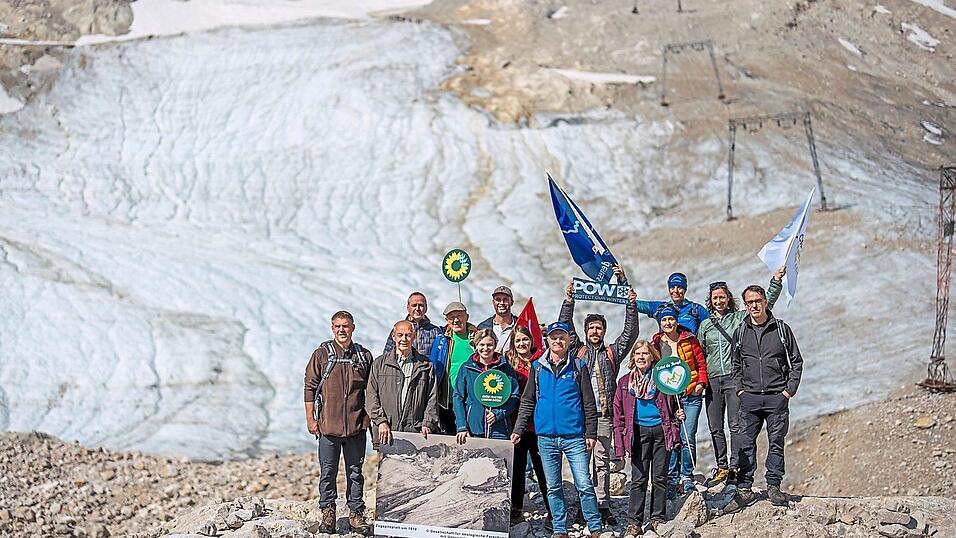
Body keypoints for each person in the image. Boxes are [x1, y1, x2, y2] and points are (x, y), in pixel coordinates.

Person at [559, 264, 638, 526]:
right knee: (582, 462)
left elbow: (630, 334)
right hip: (580, 416)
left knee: (603, 461)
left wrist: (629, 303)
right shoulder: (578, 351)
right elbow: (565, 327)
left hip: (604, 415)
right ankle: (585, 505)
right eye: (591, 327)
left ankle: (602, 504)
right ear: (585, 331)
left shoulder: (612, 353)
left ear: (604, 331)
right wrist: (569, 300)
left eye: (599, 328)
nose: (595, 331)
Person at [511, 322, 605, 538]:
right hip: (545, 437)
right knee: (553, 486)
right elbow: (528, 401)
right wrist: (518, 429)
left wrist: (591, 433)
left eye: (562, 337)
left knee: (583, 483)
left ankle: (595, 525)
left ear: (569, 340)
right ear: (547, 341)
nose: (558, 341)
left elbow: (588, 403)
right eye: (554, 337)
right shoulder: (537, 367)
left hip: (573, 436)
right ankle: (560, 528)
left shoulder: (579, 366)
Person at [696, 268, 784, 487]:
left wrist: (775, 281)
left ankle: (735, 466)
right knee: (715, 426)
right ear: (710, 301)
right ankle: (721, 466)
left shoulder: (738, 319)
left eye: (722, 297)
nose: (719, 301)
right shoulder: (705, 326)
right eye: (715, 298)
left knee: (736, 424)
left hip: (734, 379)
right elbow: (700, 353)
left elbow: (764, 305)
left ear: (729, 299)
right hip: (714, 379)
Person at [723, 284, 804, 513]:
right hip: (749, 399)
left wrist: (788, 391)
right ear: (745, 305)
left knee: (776, 443)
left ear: (765, 302)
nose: (754, 306)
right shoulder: (741, 331)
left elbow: (796, 362)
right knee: (744, 444)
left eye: (758, 301)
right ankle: (744, 489)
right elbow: (735, 364)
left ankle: (774, 486)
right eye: (749, 302)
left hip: (776, 398)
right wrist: (740, 390)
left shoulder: (780, 329)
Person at [303, 311, 373, 534]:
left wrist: (368, 418)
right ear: (332, 328)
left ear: (353, 327)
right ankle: (328, 512)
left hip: (355, 426)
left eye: (345, 326)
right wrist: (310, 418)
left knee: (355, 471)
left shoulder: (363, 356)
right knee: (328, 471)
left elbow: (372, 391)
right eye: (337, 326)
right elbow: (310, 388)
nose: (342, 330)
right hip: (327, 426)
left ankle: (355, 513)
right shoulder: (321, 355)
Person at [613, 340, 685, 536]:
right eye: (638, 354)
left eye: (645, 353)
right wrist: (620, 446)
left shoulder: (663, 380)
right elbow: (618, 415)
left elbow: (674, 406)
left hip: (662, 431)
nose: (641, 357)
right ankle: (634, 522)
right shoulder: (625, 382)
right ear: (633, 358)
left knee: (660, 477)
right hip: (638, 432)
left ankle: (657, 518)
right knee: (638, 479)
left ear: (653, 356)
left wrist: (678, 416)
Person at [651, 304, 707, 497]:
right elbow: (654, 369)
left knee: (687, 435)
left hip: (691, 393)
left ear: (676, 320)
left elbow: (700, 363)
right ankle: (672, 478)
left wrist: (701, 384)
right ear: (660, 323)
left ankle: (687, 476)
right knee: (672, 437)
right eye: (664, 320)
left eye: (671, 319)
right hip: (669, 397)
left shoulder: (689, 339)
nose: (668, 322)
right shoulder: (657, 343)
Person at [366, 320, 439, 450]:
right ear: (394, 337)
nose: (404, 339)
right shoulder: (379, 364)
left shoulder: (425, 365)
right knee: (387, 470)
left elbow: (432, 398)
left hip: (415, 434)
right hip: (386, 433)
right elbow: (371, 396)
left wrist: (427, 423)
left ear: (414, 336)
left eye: (408, 335)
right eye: (400, 335)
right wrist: (381, 421)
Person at [505, 325, 552, 526]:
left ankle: (552, 508)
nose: (522, 344)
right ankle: (516, 508)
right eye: (518, 341)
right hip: (517, 423)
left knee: (543, 468)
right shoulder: (509, 363)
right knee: (517, 468)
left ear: (531, 341)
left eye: (525, 340)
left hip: (539, 424)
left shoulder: (542, 360)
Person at [453, 329, 520, 442]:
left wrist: (498, 413)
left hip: (499, 429)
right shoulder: (467, 368)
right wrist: (461, 426)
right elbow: (458, 396)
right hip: (474, 428)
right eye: (481, 345)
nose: (485, 348)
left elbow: (514, 395)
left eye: (489, 345)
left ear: (495, 345)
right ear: (476, 346)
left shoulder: (505, 367)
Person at [429, 301, 477, 434]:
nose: (456, 320)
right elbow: (433, 367)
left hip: (471, 398)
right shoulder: (442, 340)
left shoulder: (476, 338)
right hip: (447, 399)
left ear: (466, 317)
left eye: (459, 315)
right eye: (452, 317)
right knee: (451, 437)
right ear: (447, 320)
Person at [637, 272, 709, 334]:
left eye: (679, 287)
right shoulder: (660, 308)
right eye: (672, 287)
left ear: (685, 289)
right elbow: (632, 303)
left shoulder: (697, 310)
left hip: (689, 349)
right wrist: (626, 287)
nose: (675, 291)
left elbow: (712, 328)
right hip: (666, 349)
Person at [383, 292, 443, 356]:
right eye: (414, 305)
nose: (417, 308)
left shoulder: (436, 331)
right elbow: (387, 354)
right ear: (408, 307)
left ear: (426, 308)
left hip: (428, 366)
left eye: (421, 305)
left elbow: (441, 355)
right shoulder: (399, 329)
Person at [477, 285, 518, 352]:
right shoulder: (483, 327)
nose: (501, 303)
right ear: (493, 302)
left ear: (512, 302)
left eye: (505, 299)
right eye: (498, 300)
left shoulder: (520, 325)